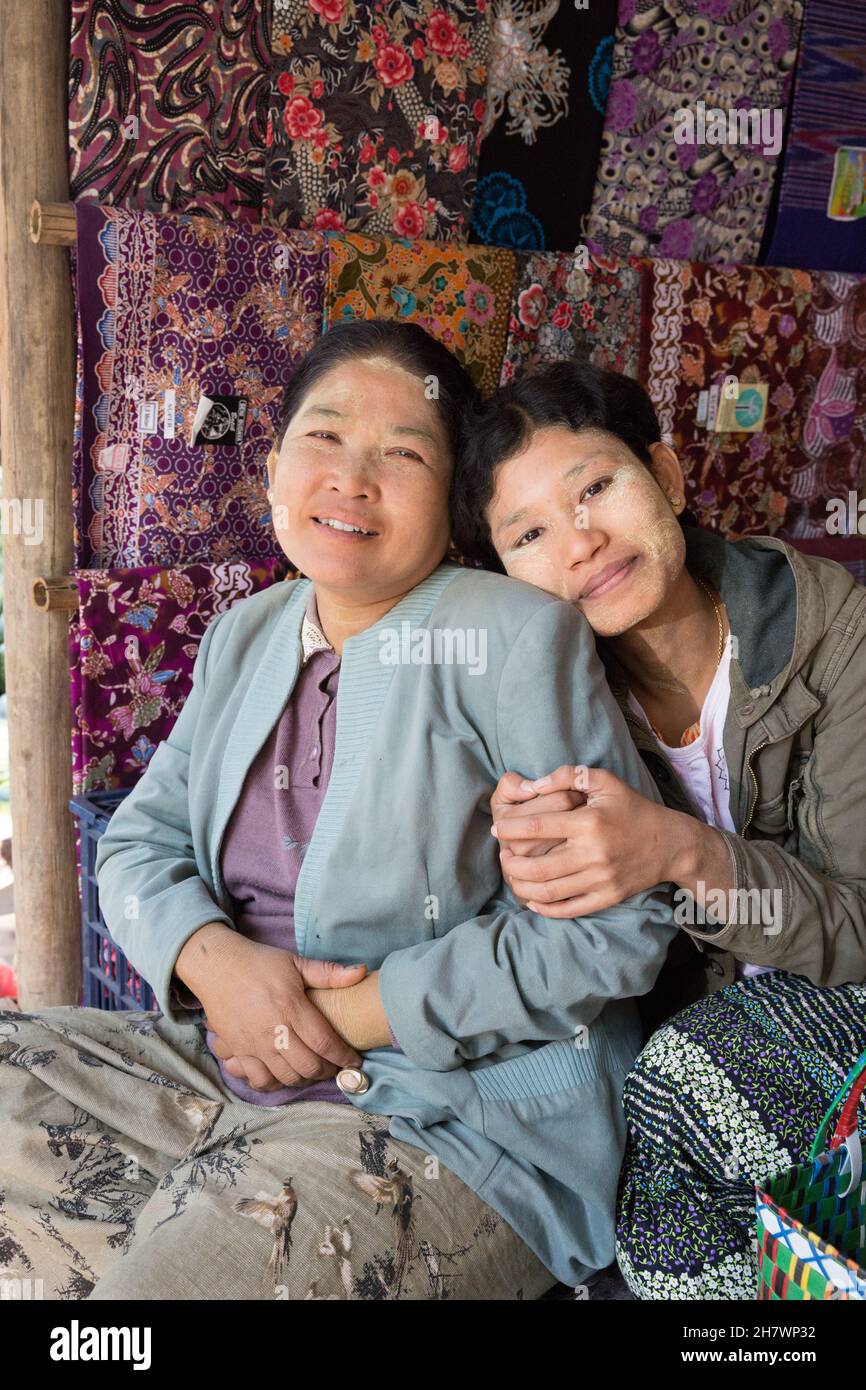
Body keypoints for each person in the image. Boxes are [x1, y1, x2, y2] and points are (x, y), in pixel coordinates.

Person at [0, 322, 676, 1301]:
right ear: (272, 467)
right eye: (323, 439)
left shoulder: (513, 639)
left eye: (403, 452)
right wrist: (215, 963)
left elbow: (614, 931)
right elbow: (138, 843)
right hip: (221, 1069)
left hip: (448, 1119)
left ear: (451, 510)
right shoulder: (250, 632)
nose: (352, 478)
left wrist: (342, 1015)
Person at [452, 358, 866, 1300]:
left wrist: (685, 855)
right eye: (530, 534)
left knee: (689, 1101)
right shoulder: (537, 706)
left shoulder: (836, 637)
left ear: (669, 479)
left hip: (833, 1022)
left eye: (596, 486)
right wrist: (520, 861)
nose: (582, 540)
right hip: (714, 1063)